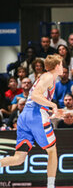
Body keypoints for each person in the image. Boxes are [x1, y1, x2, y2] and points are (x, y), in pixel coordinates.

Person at [0, 54, 64, 188]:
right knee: (52, 151)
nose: (63, 67)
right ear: (57, 66)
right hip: (36, 115)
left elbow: (37, 97)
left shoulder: (45, 77)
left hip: (25, 116)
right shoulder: (48, 76)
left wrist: (53, 111)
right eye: (62, 65)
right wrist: (53, 106)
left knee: (19, 159)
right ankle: (51, 186)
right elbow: (35, 95)